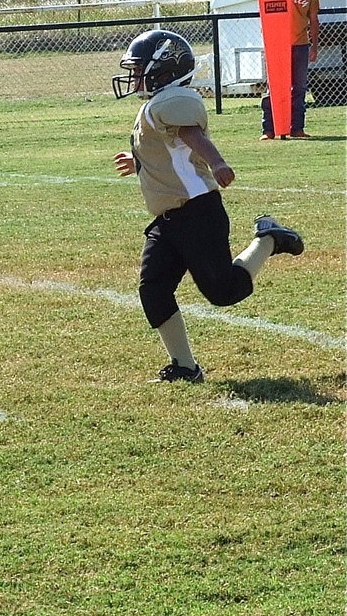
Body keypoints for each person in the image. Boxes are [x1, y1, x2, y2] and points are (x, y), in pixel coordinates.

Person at [111, 29, 304, 383]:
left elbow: (192, 137)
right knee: (153, 289)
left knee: (223, 292)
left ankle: (270, 238)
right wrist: (139, 160)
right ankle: (186, 367)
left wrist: (216, 163)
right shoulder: (156, 105)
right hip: (168, 219)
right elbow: (171, 152)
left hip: (198, 212)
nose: (134, 76)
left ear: (164, 71)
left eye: (140, 68)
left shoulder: (172, 102)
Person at [257, 0, 320, 139]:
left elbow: (314, 20)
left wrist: (314, 46)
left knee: (299, 88)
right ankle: (269, 130)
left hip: (300, 43)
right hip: (278, 44)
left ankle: (297, 128)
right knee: (274, 87)